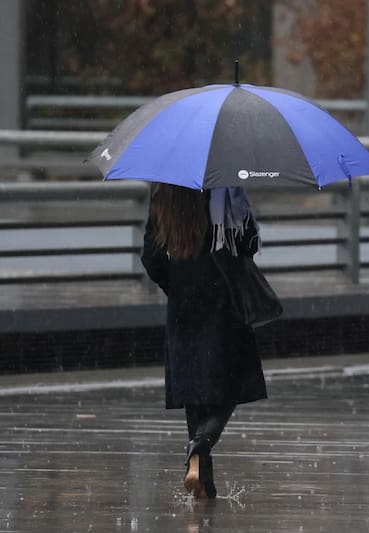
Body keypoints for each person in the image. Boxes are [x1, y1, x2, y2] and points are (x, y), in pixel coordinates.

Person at [140, 183, 267, 500]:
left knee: (194, 391)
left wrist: (176, 284)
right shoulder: (225, 187)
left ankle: (202, 481)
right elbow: (248, 244)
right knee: (234, 382)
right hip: (223, 296)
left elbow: (150, 258)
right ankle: (201, 444)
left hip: (183, 302)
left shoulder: (165, 191)